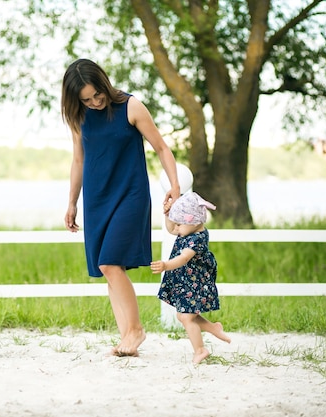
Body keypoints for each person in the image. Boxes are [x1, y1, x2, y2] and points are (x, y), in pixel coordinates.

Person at [61, 58, 181, 357]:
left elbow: (162, 148)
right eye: (86, 99)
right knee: (107, 268)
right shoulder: (80, 116)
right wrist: (72, 202)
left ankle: (136, 330)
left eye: (97, 95)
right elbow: (79, 160)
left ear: (104, 83)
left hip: (130, 194)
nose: (94, 102)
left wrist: (175, 187)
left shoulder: (131, 106)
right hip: (97, 199)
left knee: (110, 262)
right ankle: (127, 337)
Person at [151, 191, 231, 365]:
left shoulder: (198, 238)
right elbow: (171, 229)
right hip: (186, 281)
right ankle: (213, 328)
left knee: (187, 317)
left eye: (179, 223)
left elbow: (184, 258)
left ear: (193, 221)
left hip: (196, 282)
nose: (176, 228)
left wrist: (166, 265)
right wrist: (167, 215)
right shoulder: (187, 230)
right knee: (183, 316)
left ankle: (200, 350)